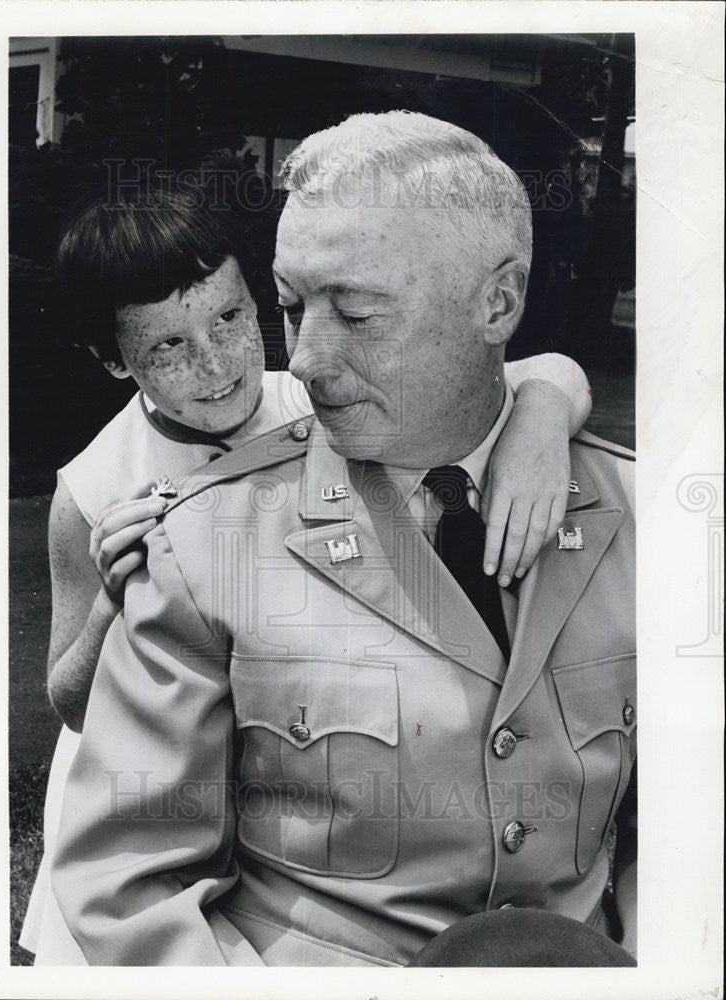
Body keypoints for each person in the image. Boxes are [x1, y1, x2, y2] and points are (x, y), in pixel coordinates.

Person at [43, 134, 614, 964]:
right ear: (112, 360)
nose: (217, 363)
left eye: (236, 317)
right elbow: (67, 702)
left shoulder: (319, 394)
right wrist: (112, 601)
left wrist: (544, 411)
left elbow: (501, 370)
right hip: (145, 767)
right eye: (167, 347)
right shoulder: (93, 489)